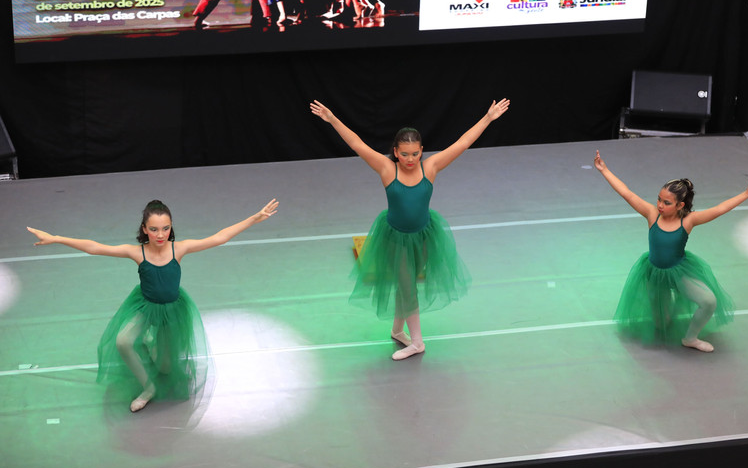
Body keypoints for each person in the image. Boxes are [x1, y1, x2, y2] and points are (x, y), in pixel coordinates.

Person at [27, 198, 279, 412]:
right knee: (123, 341)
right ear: (145, 229)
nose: (161, 235)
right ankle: (148, 387)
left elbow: (219, 238)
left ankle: (151, 340)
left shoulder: (179, 249)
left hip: (171, 310)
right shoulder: (137, 252)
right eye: (154, 229)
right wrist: (56, 238)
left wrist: (254, 218)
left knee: (167, 367)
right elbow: (95, 248)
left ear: (171, 228)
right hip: (145, 306)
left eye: (165, 228)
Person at [310, 98, 510, 360]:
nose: (410, 159)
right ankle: (417, 342)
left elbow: (462, 143)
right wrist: (333, 119)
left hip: (426, 236)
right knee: (407, 287)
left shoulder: (431, 167)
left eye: (415, 153)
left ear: (422, 150)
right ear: (395, 152)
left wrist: (488, 118)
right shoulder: (386, 169)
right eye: (404, 154)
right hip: (396, 238)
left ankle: (397, 330)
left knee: (407, 284)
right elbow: (357, 143)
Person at [594, 150, 748, 352]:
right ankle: (666, 313)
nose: (660, 205)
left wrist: (746, 193)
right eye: (659, 199)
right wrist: (604, 169)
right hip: (654, 273)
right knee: (661, 322)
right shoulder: (652, 214)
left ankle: (690, 338)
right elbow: (626, 193)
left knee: (708, 302)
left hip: (679, 272)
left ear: (680, 205)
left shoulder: (688, 220)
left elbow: (719, 209)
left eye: (666, 202)